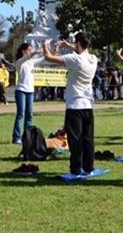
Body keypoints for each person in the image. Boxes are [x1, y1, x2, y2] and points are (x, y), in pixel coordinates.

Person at [43, 33, 98, 178]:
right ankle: (88, 167)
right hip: (88, 105)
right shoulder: (93, 59)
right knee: (88, 139)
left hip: (74, 105)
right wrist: (68, 46)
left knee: (75, 140)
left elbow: (49, 58)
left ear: (78, 43)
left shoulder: (74, 59)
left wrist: (45, 45)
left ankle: (75, 170)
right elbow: (81, 50)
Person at [12, 43, 44, 144]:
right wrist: (35, 52)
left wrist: (52, 50)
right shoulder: (19, 62)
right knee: (21, 114)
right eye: (28, 49)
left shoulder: (31, 62)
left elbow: (45, 59)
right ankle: (16, 137)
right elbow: (27, 57)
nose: (30, 51)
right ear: (23, 51)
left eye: (31, 49)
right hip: (21, 90)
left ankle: (27, 137)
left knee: (29, 115)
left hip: (30, 91)